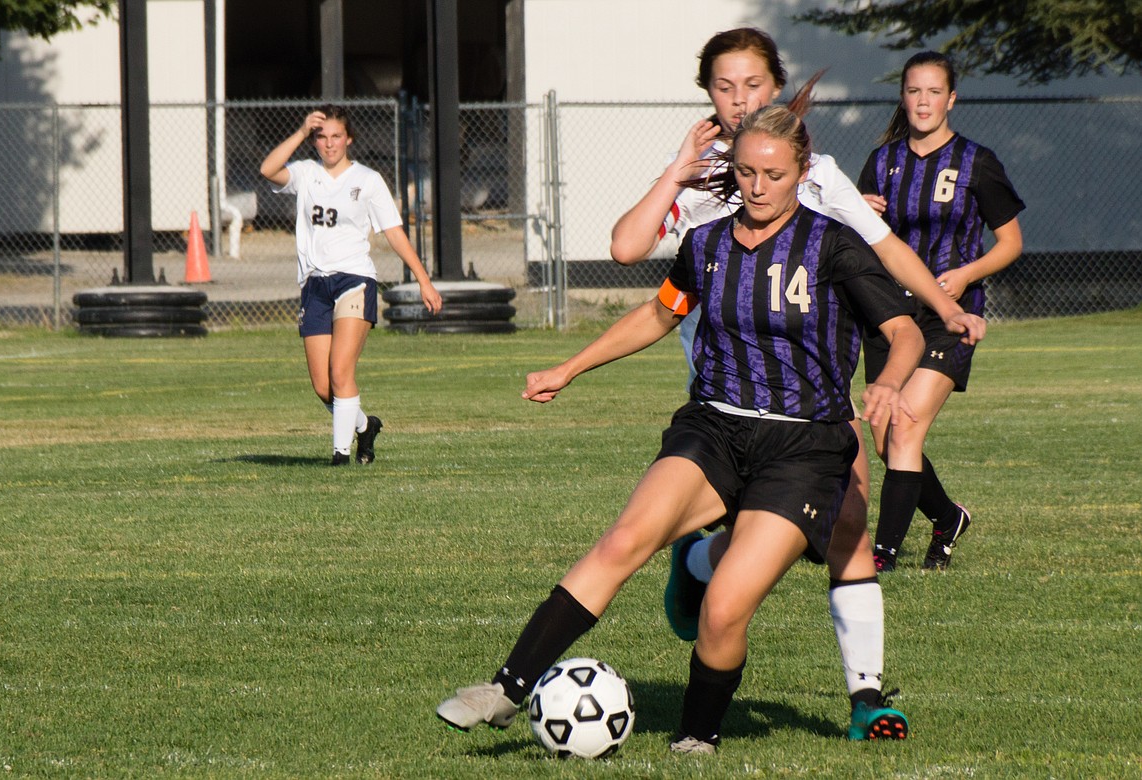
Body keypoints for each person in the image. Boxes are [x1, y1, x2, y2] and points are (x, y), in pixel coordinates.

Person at [436, 105, 924, 754]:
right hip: (714, 426)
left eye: (773, 175)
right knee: (623, 541)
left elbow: (904, 331)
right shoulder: (709, 243)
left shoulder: (833, 245)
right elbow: (660, 314)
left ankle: (697, 736)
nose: (757, 187)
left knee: (723, 610)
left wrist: (889, 380)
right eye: (746, 172)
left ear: (801, 172)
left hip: (803, 448)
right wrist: (571, 366)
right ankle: (506, 687)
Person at [611, 27, 982, 736]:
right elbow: (627, 250)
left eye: (752, 84)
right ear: (707, 95)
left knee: (849, 518)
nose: (739, 98)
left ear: (775, 89)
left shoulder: (813, 171)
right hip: (723, 406)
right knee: (740, 554)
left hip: (808, 398)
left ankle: (866, 695)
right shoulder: (691, 170)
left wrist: (944, 307)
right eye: (724, 86)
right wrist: (674, 173)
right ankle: (696, 562)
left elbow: (883, 248)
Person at [857, 51, 1025, 571]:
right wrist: (858, 211)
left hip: (951, 315)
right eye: (914, 91)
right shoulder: (882, 161)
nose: (923, 101)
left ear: (951, 99)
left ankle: (881, 554)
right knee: (887, 436)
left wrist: (967, 274)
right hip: (891, 315)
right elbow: (856, 237)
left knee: (905, 427)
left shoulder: (977, 161)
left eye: (934, 91)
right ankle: (947, 516)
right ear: (903, 97)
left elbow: (1010, 242)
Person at [260, 105, 442, 466]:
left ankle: (340, 456)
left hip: (355, 281)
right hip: (315, 285)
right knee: (323, 386)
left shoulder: (368, 180)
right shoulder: (306, 173)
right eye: (322, 136)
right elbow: (268, 170)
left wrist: (424, 280)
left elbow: (393, 232)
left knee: (342, 372)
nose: (329, 144)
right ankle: (365, 426)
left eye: (336, 136)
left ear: (349, 139)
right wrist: (299, 132)